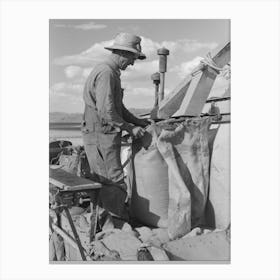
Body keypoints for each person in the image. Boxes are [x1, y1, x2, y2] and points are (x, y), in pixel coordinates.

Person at [82, 33, 150, 226]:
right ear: (122, 53)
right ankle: (116, 229)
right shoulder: (107, 73)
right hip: (101, 137)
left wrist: (138, 122)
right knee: (113, 181)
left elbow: (118, 108)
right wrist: (131, 129)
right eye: (133, 58)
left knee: (104, 181)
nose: (133, 64)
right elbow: (107, 112)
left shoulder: (109, 71)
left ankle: (104, 223)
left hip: (102, 136)